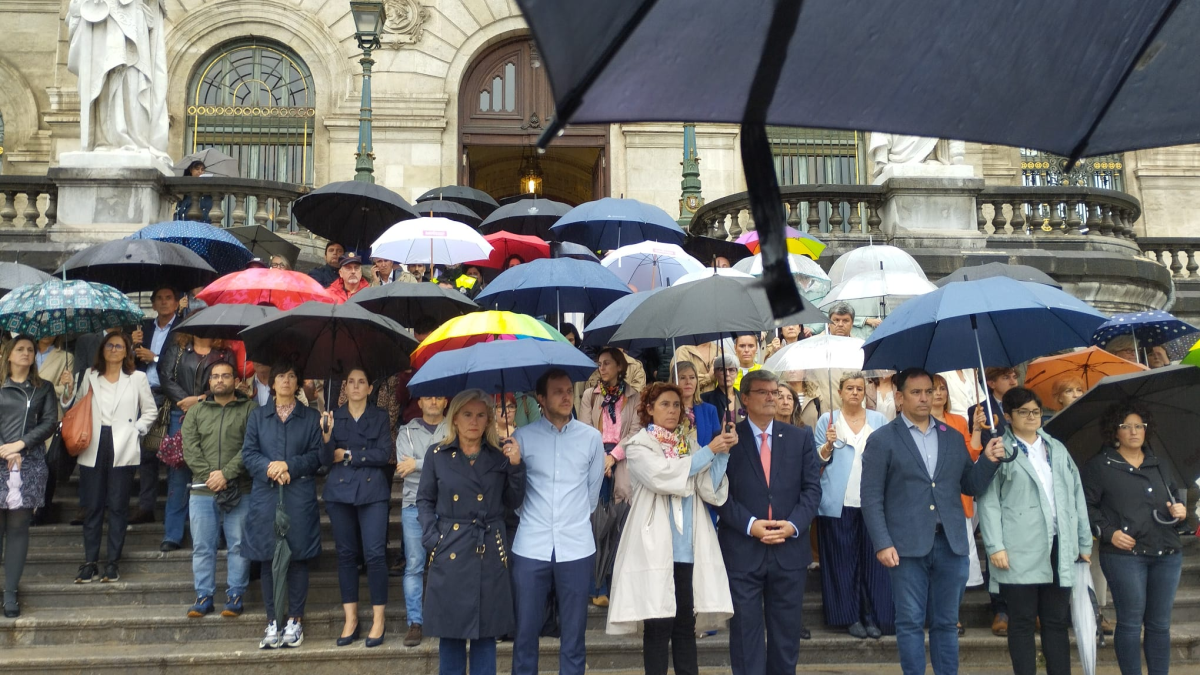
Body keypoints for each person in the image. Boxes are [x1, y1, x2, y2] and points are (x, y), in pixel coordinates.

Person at [860, 368, 1006, 675]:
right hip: (906, 545)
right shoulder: (882, 439)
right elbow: (871, 497)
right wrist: (882, 543)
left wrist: (989, 461)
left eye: (929, 391)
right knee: (910, 621)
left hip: (951, 543)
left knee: (947, 621)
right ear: (899, 397)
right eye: (916, 392)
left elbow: (970, 485)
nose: (925, 398)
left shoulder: (952, 436)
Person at [606, 382, 736, 675]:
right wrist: (708, 452)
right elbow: (662, 476)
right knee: (657, 625)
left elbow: (707, 488)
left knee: (684, 626)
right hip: (654, 546)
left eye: (677, 405)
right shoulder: (638, 444)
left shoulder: (688, 445)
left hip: (687, 547)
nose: (672, 410)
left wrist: (723, 452)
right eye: (664, 404)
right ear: (649, 409)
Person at [976, 387, 1092, 675]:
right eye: (1023, 411)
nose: (1031, 417)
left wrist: (1083, 541)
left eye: (1036, 411)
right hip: (1018, 547)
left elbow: (1076, 495)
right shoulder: (1000, 449)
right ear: (1007, 416)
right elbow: (988, 502)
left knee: (1055, 621)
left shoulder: (1057, 448)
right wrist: (994, 546)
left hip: (1059, 543)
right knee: (1023, 620)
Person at [715, 369, 821, 675]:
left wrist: (793, 525)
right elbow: (717, 493)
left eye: (775, 391)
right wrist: (750, 525)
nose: (772, 397)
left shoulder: (800, 438)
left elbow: (812, 490)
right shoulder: (729, 438)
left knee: (786, 636)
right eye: (763, 392)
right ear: (745, 399)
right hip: (743, 550)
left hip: (789, 551)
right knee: (745, 636)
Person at [418, 389, 525, 675]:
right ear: (454, 419)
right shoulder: (437, 455)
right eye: (467, 414)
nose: (473, 421)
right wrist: (433, 539)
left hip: (489, 549)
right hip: (449, 547)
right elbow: (424, 500)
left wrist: (516, 467)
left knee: (485, 636)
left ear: (489, 420)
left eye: (480, 415)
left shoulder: (500, 455)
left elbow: (514, 502)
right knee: (450, 635)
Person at [511, 369, 606, 675]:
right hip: (530, 546)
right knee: (525, 633)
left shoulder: (591, 439)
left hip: (576, 547)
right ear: (541, 398)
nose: (567, 397)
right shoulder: (521, 439)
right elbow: (514, 495)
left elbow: (592, 495)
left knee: (574, 636)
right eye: (558, 392)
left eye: (569, 391)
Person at [1081, 401, 1186, 675]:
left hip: (1167, 552)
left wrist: (1181, 510)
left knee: (1160, 625)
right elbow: (1085, 507)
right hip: (1125, 557)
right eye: (1125, 426)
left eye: (1139, 426)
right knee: (1129, 622)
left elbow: (1175, 498)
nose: (1133, 431)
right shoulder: (1099, 466)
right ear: (1114, 432)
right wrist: (1108, 531)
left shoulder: (1160, 463)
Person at [63, 332, 158, 584]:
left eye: (119, 346)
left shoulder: (137, 378)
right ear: (102, 349)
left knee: (118, 506)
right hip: (93, 442)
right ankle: (90, 562)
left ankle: (112, 562)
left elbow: (150, 411)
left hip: (122, 444)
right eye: (109, 345)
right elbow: (75, 408)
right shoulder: (89, 376)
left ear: (127, 351)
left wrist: (135, 430)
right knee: (92, 506)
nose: (114, 349)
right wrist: (67, 390)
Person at [241, 360, 324, 649]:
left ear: (298, 382)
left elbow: (317, 457)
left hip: (297, 493)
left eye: (291, 376)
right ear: (272, 383)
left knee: (297, 556)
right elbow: (248, 453)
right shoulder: (257, 416)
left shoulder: (311, 418)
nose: (286, 381)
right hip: (266, 494)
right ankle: (273, 621)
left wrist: (289, 464)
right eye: (281, 377)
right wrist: (270, 467)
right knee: (267, 556)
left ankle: (295, 620)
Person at [813, 371, 893, 639]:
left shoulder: (879, 419)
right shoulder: (828, 420)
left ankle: (873, 616)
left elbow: (888, 458)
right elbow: (816, 461)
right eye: (850, 388)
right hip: (838, 502)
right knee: (842, 562)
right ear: (840, 391)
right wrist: (828, 444)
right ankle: (849, 616)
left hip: (872, 501)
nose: (855, 393)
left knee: (873, 562)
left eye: (860, 388)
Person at [320, 367, 393, 647]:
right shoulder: (333, 417)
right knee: (346, 555)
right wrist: (327, 438)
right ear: (345, 387)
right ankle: (350, 618)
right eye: (351, 382)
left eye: (362, 381)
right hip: (339, 492)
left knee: (375, 554)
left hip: (373, 491)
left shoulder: (380, 416)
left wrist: (349, 454)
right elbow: (326, 460)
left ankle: (378, 619)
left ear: (370, 388)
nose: (356, 386)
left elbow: (384, 453)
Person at [182, 361, 255, 619]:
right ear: (209, 382)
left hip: (240, 488)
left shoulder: (250, 409)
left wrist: (226, 474)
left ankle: (235, 595)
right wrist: (211, 476)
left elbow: (251, 447)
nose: (220, 380)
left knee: (238, 544)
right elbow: (189, 448)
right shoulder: (196, 412)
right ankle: (203, 596)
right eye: (215, 377)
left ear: (235, 380)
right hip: (203, 491)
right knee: (203, 545)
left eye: (225, 376)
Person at [157, 332, 236, 552]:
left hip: (214, 411)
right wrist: (185, 402)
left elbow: (227, 381)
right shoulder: (178, 350)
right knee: (178, 472)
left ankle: (218, 532)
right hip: (179, 414)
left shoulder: (225, 353)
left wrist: (199, 400)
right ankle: (173, 533)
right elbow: (165, 377)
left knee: (215, 468)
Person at [0, 336, 58, 617]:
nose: (25, 353)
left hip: (30, 462)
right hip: (0, 457)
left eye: (30, 350)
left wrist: (20, 445)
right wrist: (5, 449)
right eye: (20, 349)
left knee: (18, 527)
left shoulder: (43, 388)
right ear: (8, 354)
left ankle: (10, 592)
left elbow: (49, 422)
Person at [578, 347, 641, 607]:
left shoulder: (633, 396)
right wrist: (599, 459)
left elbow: (636, 430)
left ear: (619, 367)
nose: (601, 368)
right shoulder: (589, 396)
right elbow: (584, 430)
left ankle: (617, 581)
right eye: (599, 364)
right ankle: (597, 586)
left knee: (620, 520)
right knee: (596, 522)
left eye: (606, 364)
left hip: (622, 459)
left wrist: (613, 456)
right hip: (595, 459)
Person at [966, 365, 1019, 636]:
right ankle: (999, 607)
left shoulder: (1024, 403)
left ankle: (1023, 608)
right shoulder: (980, 410)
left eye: (1014, 376)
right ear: (991, 382)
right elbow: (978, 447)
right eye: (1006, 377)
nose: (1013, 380)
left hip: (1020, 487)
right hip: (992, 484)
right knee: (994, 547)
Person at [394, 395, 447, 646]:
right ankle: (415, 622)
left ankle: (447, 618)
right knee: (414, 565)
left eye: (438, 397)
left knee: (449, 564)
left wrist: (416, 463)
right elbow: (403, 469)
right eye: (428, 398)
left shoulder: (455, 428)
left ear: (446, 402)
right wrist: (439, 465)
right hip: (414, 505)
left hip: (449, 506)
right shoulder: (406, 432)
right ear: (420, 403)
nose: (433, 401)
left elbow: (454, 467)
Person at [130, 285, 181, 525]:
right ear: (152, 304)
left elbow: (181, 362)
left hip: (169, 395)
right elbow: (128, 364)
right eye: (159, 298)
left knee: (171, 452)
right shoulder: (143, 328)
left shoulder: (182, 329)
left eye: (168, 298)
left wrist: (156, 358)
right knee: (146, 453)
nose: (163, 302)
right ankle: (146, 506)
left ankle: (173, 507)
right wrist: (132, 346)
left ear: (177, 302)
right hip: (143, 394)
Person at [931, 373, 983, 607]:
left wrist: (977, 429)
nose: (939, 393)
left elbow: (970, 456)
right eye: (934, 389)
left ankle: (953, 610)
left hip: (955, 496)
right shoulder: (916, 422)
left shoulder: (958, 422)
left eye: (943, 388)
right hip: (928, 499)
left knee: (958, 557)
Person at [33, 335, 74, 525]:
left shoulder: (65, 357)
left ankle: (42, 510)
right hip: (24, 417)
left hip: (50, 415)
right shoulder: (25, 352)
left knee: (46, 465)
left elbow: (67, 395)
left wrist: (66, 385)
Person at [672, 361, 721, 447]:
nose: (688, 382)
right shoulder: (666, 410)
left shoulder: (710, 410)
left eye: (692, 377)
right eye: (682, 378)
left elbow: (717, 443)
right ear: (673, 381)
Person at [701, 355, 742, 426]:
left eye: (732, 370)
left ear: (736, 373)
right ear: (715, 373)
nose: (727, 374)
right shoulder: (704, 399)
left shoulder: (743, 398)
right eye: (722, 370)